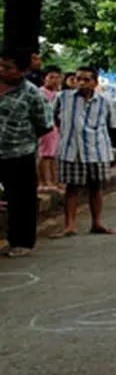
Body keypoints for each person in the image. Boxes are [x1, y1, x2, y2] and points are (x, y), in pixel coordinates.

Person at [51, 66, 116, 237]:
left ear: (95, 82)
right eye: (78, 79)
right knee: (71, 188)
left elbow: (112, 125)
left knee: (96, 187)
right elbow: (51, 118)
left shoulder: (105, 100)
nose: (81, 82)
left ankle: (97, 223)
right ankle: (70, 225)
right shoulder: (63, 97)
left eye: (86, 79)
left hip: (97, 150)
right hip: (71, 149)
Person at [0, 49, 54, 257]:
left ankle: (21, 242)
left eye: (8, 67)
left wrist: (24, 137)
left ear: (21, 71)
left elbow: (44, 123)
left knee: (21, 199)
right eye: (1, 65)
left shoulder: (32, 93)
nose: (2, 70)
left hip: (18, 151)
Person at [37, 64, 62, 192]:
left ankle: (53, 180)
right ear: (44, 79)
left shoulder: (57, 94)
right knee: (44, 155)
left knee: (52, 155)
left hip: (55, 128)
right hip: (45, 127)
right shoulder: (41, 93)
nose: (55, 80)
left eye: (57, 77)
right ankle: (43, 181)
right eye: (51, 77)